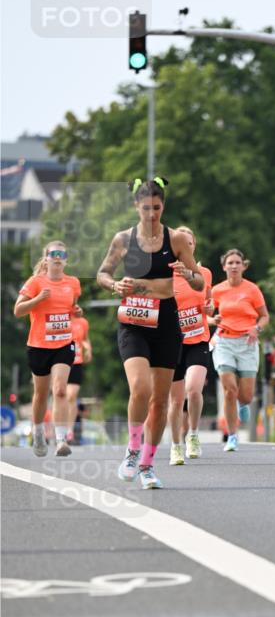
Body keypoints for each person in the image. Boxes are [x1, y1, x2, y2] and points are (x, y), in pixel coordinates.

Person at [97, 177, 202, 489]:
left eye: (157, 208)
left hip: (166, 322)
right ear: (136, 207)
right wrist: (114, 284)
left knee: (159, 400)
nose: (152, 214)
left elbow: (198, 282)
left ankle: (147, 464)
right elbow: (103, 273)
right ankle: (132, 450)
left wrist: (188, 274)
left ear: (163, 206)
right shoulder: (123, 240)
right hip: (133, 322)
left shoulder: (178, 240)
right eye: (146, 208)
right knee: (140, 388)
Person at [13, 240, 80, 457]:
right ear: (47, 258)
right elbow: (18, 310)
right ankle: (39, 431)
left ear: (66, 259)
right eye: (54, 254)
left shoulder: (73, 283)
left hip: (64, 343)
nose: (58, 257)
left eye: (62, 253)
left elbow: (70, 308)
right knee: (41, 394)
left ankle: (61, 439)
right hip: (39, 345)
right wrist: (38, 299)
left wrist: (76, 311)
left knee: (60, 390)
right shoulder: (35, 282)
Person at [210, 248, 269, 453]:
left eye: (237, 262)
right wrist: (212, 319)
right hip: (224, 340)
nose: (234, 266)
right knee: (229, 390)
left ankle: (242, 405)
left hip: (247, 343)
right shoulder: (216, 290)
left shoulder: (252, 290)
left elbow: (264, 316)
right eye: (230, 263)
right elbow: (207, 313)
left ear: (243, 266)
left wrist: (257, 328)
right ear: (224, 267)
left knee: (246, 396)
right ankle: (232, 436)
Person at [167, 226, 213, 465]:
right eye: (181, 243)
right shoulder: (163, 275)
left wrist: (209, 308)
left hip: (198, 338)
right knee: (175, 401)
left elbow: (209, 301)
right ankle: (175, 446)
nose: (186, 247)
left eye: (190, 243)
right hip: (172, 343)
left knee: (193, 390)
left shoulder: (204, 272)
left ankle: (193, 435)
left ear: (194, 246)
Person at [67, 305, 92, 444]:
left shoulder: (82, 322)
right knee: (61, 395)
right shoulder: (61, 319)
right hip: (60, 361)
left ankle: (69, 430)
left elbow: (85, 339)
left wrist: (88, 349)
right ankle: (60, 427)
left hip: (76, 362)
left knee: (71, 396)